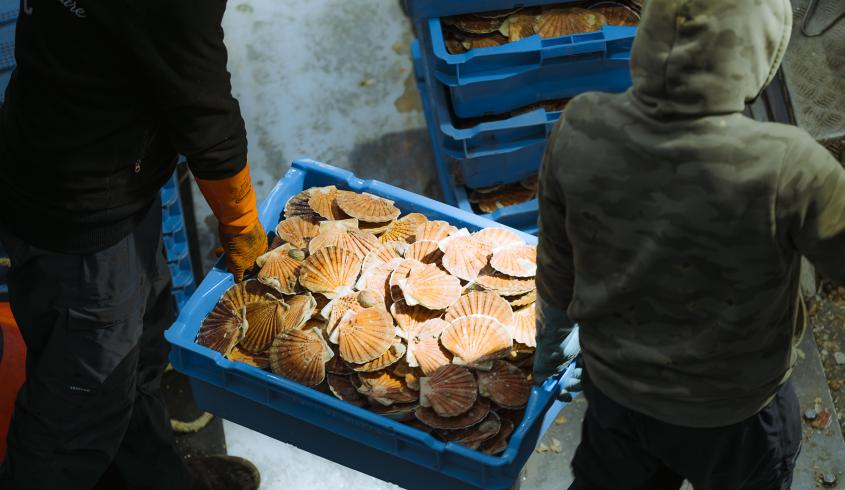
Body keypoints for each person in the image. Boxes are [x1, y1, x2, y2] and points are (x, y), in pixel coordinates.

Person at [532, 0, 845, 489]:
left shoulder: (580, 124)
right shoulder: (789, 165)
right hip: (735, 417)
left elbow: (556, 264)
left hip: (618, 394)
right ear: (761, 50)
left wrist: (552, 348)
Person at [0, 1, 268, 489]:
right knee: (80, 409)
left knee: (140, 354)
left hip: (92, 166)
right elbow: (206, 115)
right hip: (80, 222)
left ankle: (157, 481)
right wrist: (241, 225)